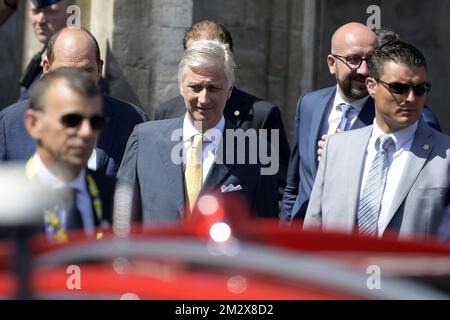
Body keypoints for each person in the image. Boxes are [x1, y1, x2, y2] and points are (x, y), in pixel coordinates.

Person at [281, 22, 441, 223]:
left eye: (371, 60)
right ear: (332, 63)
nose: (364, 69)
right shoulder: (309, 104)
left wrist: (345, 152)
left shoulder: (409, 117)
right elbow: (294, 184)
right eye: (353, 59)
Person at [117, 40, 279, 223]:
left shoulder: (257, 153)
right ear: (181, 86)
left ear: (229, 91)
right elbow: (122, 220)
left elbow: (263, 231)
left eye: (213, 88)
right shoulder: (144, 140)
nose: (203, 99)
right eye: (195, 87)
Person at [304, 40, 450, 239]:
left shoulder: (445, 156)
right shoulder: (336, 149)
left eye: (420, 89)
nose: (410, 98)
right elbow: (314, 231)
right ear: (371, 86)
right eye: (398, 88)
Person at [154, 20, 290, 203]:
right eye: (195, 54)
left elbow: (277, 192)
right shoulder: (167, 112)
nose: (204, 60)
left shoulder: (262, 115)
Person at [0, 27, 149, 176]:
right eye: (65, 71)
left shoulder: (132, 121)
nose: (76, 81)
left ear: (99, 69)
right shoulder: (9, 125)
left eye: (86, 71)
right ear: (47, 68)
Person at [25, 67, 115, 241]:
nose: (87, 132)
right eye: (72, 120)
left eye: (96, 121)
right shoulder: (8, 198)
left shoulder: (118, 196)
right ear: (34, 123)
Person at [17, 0, 74, 101]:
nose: (40, 20)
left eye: (51, 11)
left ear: (71, 14)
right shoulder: (43, 55)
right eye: (35, 11)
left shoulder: (76, 66)